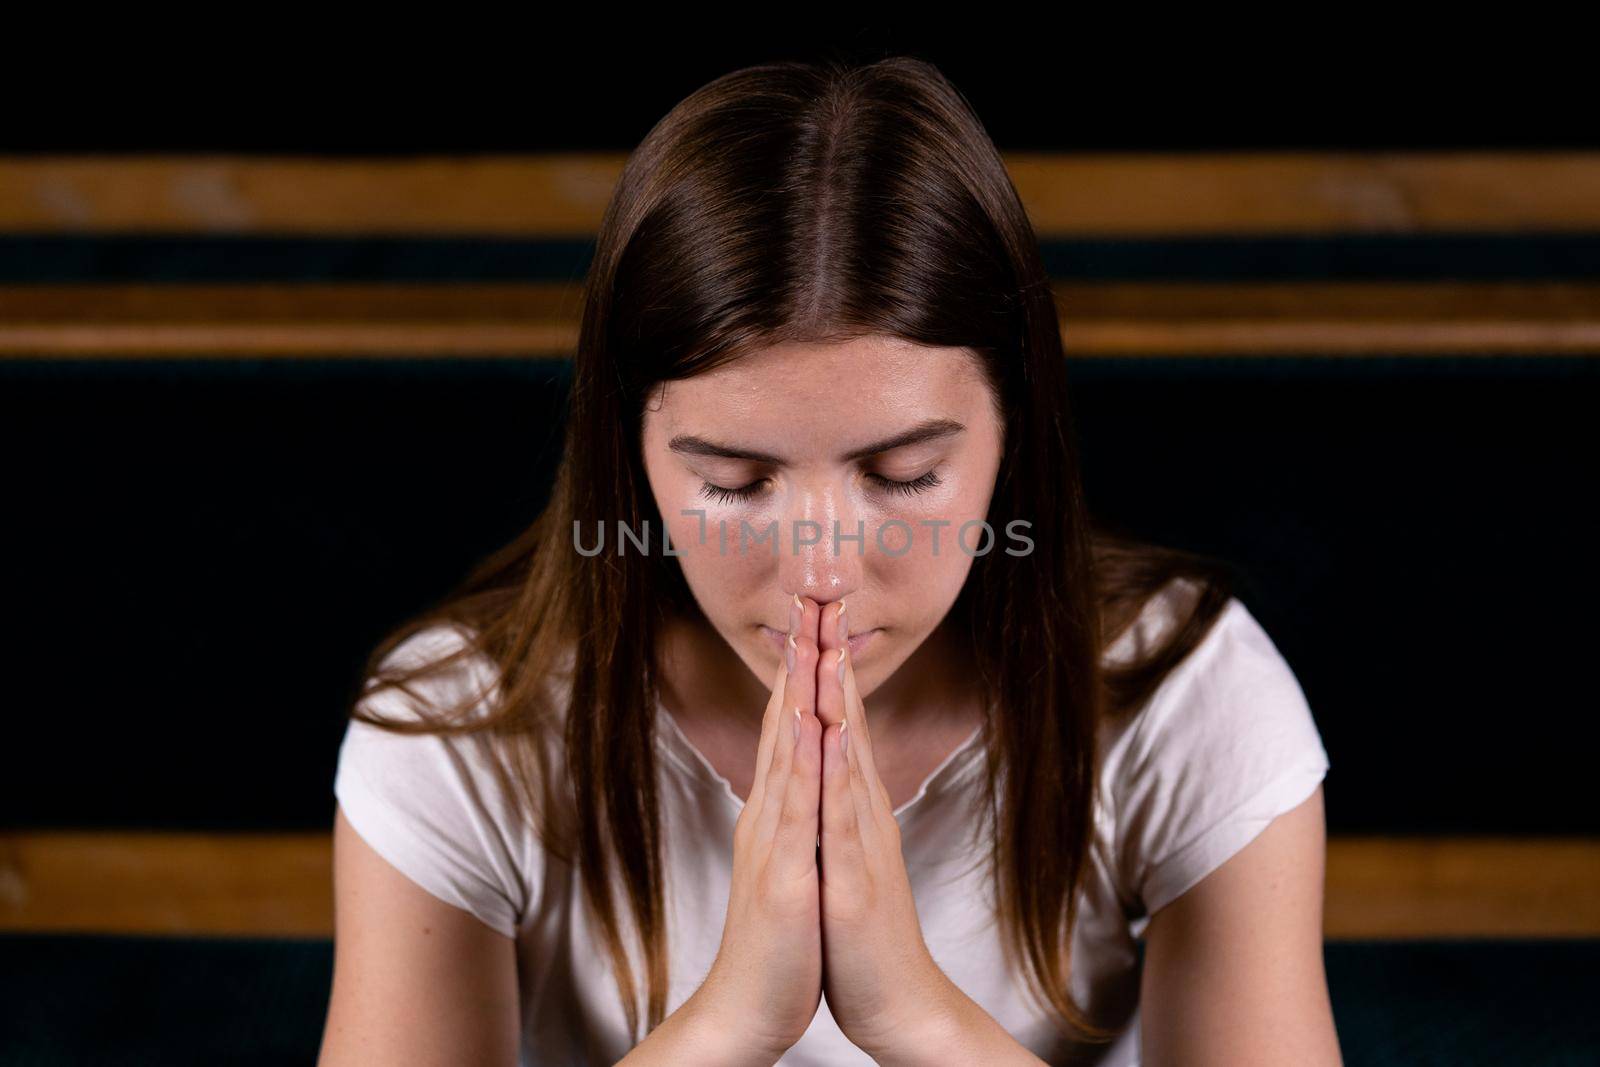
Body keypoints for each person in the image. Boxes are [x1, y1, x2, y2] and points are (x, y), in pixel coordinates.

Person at [317, 56, 1341, 1067]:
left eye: (902, 475)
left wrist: (916, 1017)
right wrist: (727, 1024)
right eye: (731, 479)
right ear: (626, 455)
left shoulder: (1183, 695)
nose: (820, 569)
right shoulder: (462, 722)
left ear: (1012, 442)